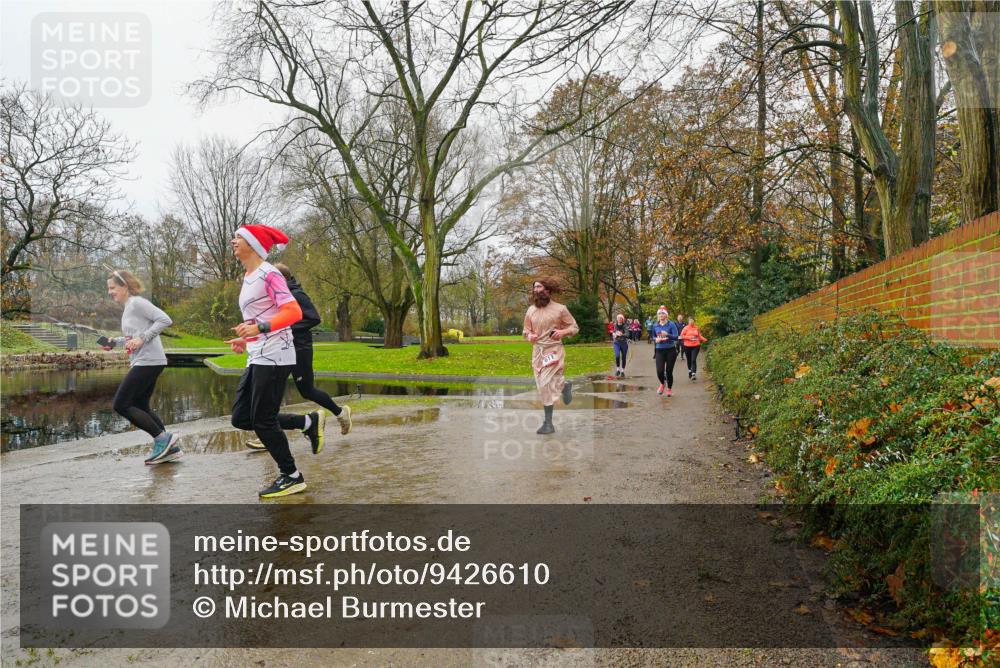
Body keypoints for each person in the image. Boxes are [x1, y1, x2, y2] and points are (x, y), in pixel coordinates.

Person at [226, 224, 324, 498]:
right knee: (242, 417)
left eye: (239, 237)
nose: (233, 241)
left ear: (253, 244)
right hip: (258, 354)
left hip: (276, 355)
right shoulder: (248, 276)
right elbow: (262, 317)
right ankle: (307, 422)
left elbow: (292, 311)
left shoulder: (269, 274)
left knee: (263, 420)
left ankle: (291, 476)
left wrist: (259, 329)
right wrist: (247, 338)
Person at [245, 263, 352, 450]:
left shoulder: (297, 294)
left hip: (299, 348)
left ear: (282, 278)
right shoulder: (278, 296)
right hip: (280, 350)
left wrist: (283, 327)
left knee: (307, 390)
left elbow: (313, 318)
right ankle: (267, 435)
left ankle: (341, 412)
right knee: (272, 392)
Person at [100, 270, 180, 464]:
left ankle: (163, 439)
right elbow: (133, 338)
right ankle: (170, 447)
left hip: (148, 360)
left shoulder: (137, 303)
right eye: (108, 288)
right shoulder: (129, 308)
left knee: (121, 404)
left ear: (124, 286)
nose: (110, 292)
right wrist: (114, 342)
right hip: (146, 360)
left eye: (113, 288)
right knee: (141, 405)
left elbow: (164, 320)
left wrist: (142, 339)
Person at [523, 278, 579, 435]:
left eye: (539, 287)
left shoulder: (560, 309)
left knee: (545, 384)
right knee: (542, 385)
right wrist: (529, 336)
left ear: (547, 290)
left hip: (553, 350)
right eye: (534, 287)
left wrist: (562, 332)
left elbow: (574, 327)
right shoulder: (530, 310)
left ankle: (548, 423)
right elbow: (525, 330)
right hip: (538, 352)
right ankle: (564, 385)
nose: (536, 290)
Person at [650, 306, 680, 397]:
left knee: (669, 371)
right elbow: (653, 337)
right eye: (659, 313)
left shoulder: (671, 324)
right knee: (659, 371)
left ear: (666, 315)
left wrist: (667, 334)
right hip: (659, 350)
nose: (661, 315)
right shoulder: (655, 325)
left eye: (663, 313)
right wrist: (656, 340)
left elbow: (676, 337)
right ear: (657, 315)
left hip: (670, 350)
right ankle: (662, 384)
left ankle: (669, 389)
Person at [680, 316, 708, 381]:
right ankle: (690, 371)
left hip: (696, 346)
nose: (691, 322)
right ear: (688, 321)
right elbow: (682, 336)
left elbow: (699, 336)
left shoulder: (696, 328)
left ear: (694, 321)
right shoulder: (685, 328)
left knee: (693, 359)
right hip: (687, 346)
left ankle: (693, 374)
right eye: (690, 320)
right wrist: (689, 337)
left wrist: (704, 339)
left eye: (692, 320)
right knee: (689, 360)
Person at [610, 313, 630, 377]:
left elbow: (627, 335)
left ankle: (622, 371)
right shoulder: (615, 325)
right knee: (617, 356)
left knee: (624, 357)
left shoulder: (625, 326)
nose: (619, 319)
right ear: (617, 319)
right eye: (618, 318)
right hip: (616, 343)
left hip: (624, 343)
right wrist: (614, 334)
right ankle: (618, 369)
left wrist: (621, 334)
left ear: (622, 319)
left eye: (621, 318)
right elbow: (614, 332)